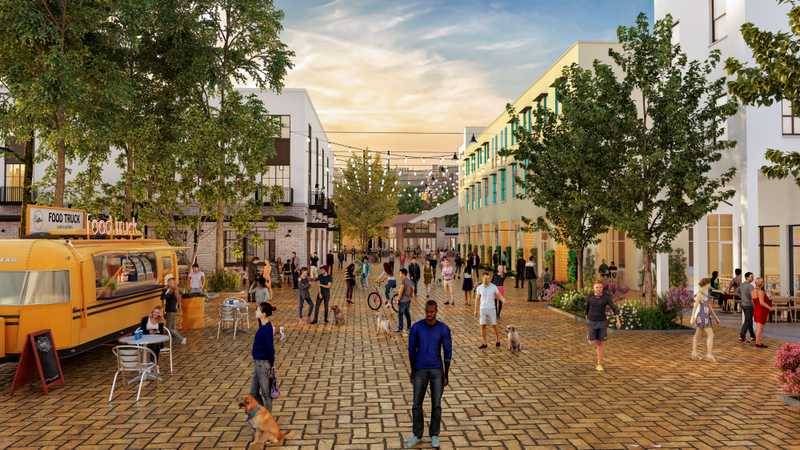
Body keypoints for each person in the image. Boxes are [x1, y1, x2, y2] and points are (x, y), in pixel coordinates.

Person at [404, 300, 452, 449]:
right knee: (416, 404)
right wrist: (412, 371)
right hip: (420, 369)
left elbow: (448, 352)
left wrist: (446, 374)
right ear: (425, 311)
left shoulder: (443, 329)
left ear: (436, 311)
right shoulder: (417, 327)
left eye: (432, 312)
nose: (429, 315)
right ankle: (417, 434)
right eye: (427, 312)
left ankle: (434, 435)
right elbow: (411, 351)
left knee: (436, 405)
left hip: (437, 371)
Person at [585, 281, 621, 372]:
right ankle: (590, 336)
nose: (598, 289)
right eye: (596, 287)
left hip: (602, 322)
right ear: (593, 288)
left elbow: (614, 307)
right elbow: (587, 307)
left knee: (600, 344)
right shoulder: (590, 296)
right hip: (592, 321)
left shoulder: (606, 297)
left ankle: (599, 364)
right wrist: (587, 319)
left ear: (602, 288)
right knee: (593, 342)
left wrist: (618, 320)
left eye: (600, 287)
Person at [250, 302, 276, 410]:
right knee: (253, 392)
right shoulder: (264, 325)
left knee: (266, 394)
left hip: (263, 364)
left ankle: (268, 419)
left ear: (264, 314)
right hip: (258, 364)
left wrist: (272, 364)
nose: (256, 311)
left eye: (258, 310)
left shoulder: (266, 330)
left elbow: (270, 349)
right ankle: (262, 412)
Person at [690, 278, 720, 361]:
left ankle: (694, 353)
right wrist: (692, 317)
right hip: (703, 317)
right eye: (710, 283)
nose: (710, 285)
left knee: (697, 336)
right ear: (706, 284)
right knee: (710, 335)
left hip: (706, 316)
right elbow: (695, 306)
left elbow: (709, 306)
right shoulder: (700, 294)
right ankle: (709, 355)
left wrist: (716, 317)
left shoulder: (705, 293)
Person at [475, 272, 505, 349]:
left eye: (488, 278)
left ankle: (498, 339)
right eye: (485, 278)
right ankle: (484, 343)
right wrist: (476, 310)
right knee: (483, 326)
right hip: (483, 309)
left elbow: (499, 295)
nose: (486, 280)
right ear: (482, 278)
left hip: (491, 309)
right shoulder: (479, 288)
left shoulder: (493, 287)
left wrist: (503, 299)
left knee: (494, 325)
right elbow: (477, 299)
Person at [161, 275, 187, 345]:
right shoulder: (171, 290)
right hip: (171, 310)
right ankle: (175, 340)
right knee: (172, 327)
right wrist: (164, 290)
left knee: (169, 329)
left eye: (170, 282)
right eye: (169, 282)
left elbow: (164, 297)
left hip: (171, 311)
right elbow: (162, 297)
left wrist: (165, 290)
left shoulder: (172, 290)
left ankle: (182, 338)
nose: (168, 283)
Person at [752, 277, 773, 348]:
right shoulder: (760, 291)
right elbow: (761, 302)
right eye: (763, 282)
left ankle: (758, 342)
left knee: (758, 328)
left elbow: (756, 301)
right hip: (761, 311)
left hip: (757, 310)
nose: (763, 283)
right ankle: (758, 343)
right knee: (760, 328)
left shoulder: (753, 291)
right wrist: (769, 307)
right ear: (761, 284)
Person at [738, 272, 755, 344]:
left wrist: (742, 297)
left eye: (753, 276)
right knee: (748, 321)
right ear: (747, 277)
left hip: (743, 305)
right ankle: (742, 336)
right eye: (751, 277)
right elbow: (753, 297)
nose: (752, 278)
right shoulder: (750, 286)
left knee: (749, 320)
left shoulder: (742, 285)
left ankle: (752, 336)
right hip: (749, 305)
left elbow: (736, 292)